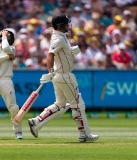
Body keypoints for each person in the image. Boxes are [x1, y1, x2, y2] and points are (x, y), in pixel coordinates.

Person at [28, 14, 99, 142]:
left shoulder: (61, 37)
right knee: (77, 104)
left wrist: (70, 52)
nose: (68, 25)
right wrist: (50, 71)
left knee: (60, 105)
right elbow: (50, 54)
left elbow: (59, 54)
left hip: (60, 75)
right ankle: (84, 135)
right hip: (64, 75)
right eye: (66, 24)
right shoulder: (58, 39)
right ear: (60, 26)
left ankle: (36, 122)